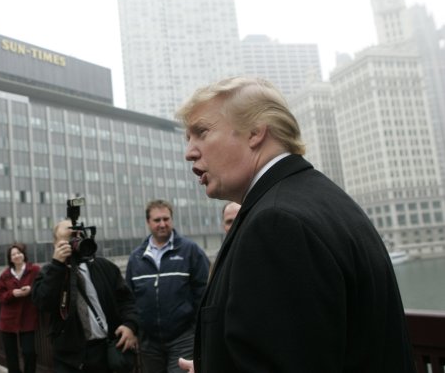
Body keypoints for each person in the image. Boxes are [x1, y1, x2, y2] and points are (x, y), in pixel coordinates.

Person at [175, 76, 416, 372]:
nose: (189, 152)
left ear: (255, 132)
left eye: (201, 132)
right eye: (188, 138)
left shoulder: (276, 224)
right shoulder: (321, 198)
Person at [32, 219, 139, 373]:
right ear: (55, 243)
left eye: (78, 235)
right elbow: (43, 303)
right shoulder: (49, 273)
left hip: (106, 352)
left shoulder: (105, 267)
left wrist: (131, 325)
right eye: (69, 237)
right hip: (69, 359)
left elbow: (127, 301)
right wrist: (58, 266)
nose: (75, 241)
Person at [126, 200, 209, 373]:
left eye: (166, 219)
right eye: (157, 220)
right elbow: (130, 298)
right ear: (148, 222)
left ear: (172, 219)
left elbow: (203, 293)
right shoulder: (136, 258)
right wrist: (135, 328)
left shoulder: (190, 251)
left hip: (183, 338)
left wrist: (194, 329)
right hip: (149, 343)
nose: (162, 224)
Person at [0, 243, 41, 373]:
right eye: (13, 254)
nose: (16, 256)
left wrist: (31, 290)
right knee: (11, 355)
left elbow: (43, 287)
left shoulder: (35, 270)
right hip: (8, 319)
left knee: (29, 352)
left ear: (24, 254)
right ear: (10, 258)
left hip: (28, 317)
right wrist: (12, 293)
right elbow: (0, 295)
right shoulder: (5, 275)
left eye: (19, 253)